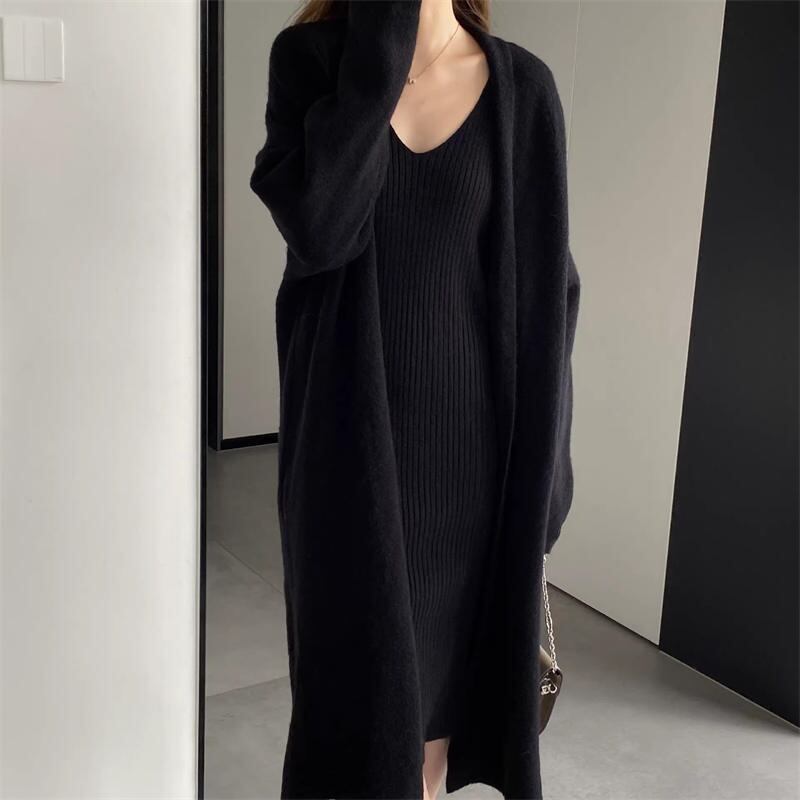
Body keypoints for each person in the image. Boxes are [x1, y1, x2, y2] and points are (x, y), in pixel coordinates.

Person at [250, 1, 580, 798]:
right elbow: (321, 228)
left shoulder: (523, 90)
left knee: (433, 732)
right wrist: (383, 42)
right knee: (356, 715)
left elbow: (549, 300)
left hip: (473, 471)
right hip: (346, 460)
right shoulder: (310, 64)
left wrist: (548, 481)